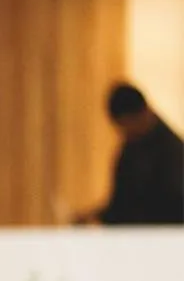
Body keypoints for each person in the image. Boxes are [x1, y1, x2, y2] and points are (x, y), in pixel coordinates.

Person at [74, 82, 184, 226]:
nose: (124, 132)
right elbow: (121, 202)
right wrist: (94, 216)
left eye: (126, 125)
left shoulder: (173, 152)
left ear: (141, 114)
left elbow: (170, 206)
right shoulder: (131, 147)